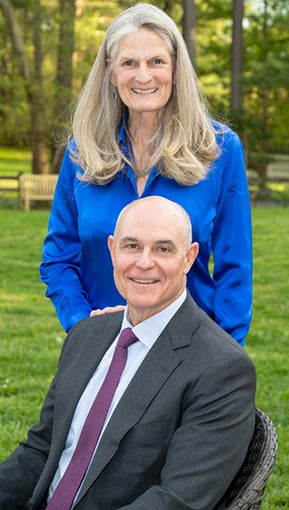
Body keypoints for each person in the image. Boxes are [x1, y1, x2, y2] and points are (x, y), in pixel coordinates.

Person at [0, 196, 256, 510]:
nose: (144, 262)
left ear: (189, 258)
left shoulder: (221, 368)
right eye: (131, 246)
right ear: (112, 250)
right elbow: (40, 451)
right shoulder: (86, 335)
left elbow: (177, 501)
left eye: (163, 249)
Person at [40, 3, 252, 346]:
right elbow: (58, 259)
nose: (143, 76)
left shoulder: (220, 150)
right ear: (111, 73)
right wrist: (82, 325)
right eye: (129, 63)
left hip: (190, 350)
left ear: (175, 68)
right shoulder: (83, 153)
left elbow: (235, 271)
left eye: (156, 62)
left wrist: (224, 356)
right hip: (102, 347)